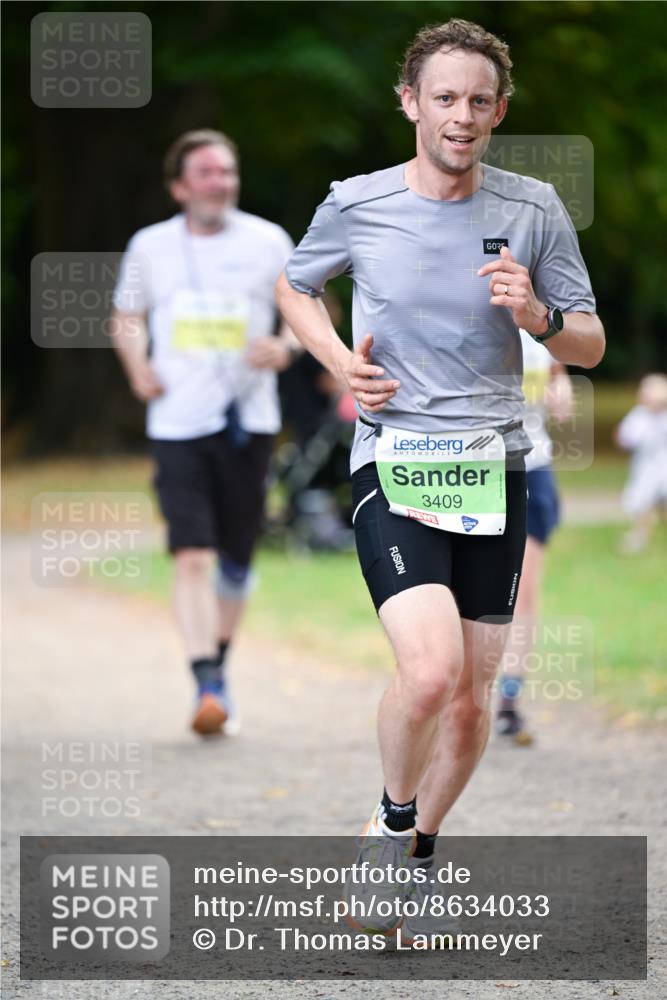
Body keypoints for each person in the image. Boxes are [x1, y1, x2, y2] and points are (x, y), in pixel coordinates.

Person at [276, 18, 604, 941]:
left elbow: (589, 342)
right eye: (444, 97)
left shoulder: (534, 207)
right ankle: (387, 823)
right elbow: (295, 285)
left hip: (494, 466)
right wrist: (341, 361)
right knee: (428, 674)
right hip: (395, 455)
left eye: (478, 101)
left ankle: (419, 848)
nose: (461, 116)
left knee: (470, 701)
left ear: (499, 111)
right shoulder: (357, 202)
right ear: (410, 102)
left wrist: (537, 313)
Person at [112, 129, 298, 736]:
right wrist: (138, 367)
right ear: (180, 186)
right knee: (191, 552)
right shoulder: (150, 246)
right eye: (207, 173)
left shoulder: (269, 240)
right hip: (177, 423)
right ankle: (205, 683)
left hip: (250, 422)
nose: (220, 181)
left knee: (236, 561)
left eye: (228, 170)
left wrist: (287, 346)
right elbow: (127, 316)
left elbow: (310, 310)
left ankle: (219, 664)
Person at [496, 330, 574, 745]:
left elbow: (557, 370)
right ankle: (454, 695)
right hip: (475, 472)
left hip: (533, 467)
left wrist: (561, 389)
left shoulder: (541, 324)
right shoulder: (464, 314)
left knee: (523, 594)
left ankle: (509, 702)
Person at [615, 373, 667, 553]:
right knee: (643, 503)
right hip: (646, 468)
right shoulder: (638, 416)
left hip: (664, 466)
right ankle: (641, 535)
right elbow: (626, 436)